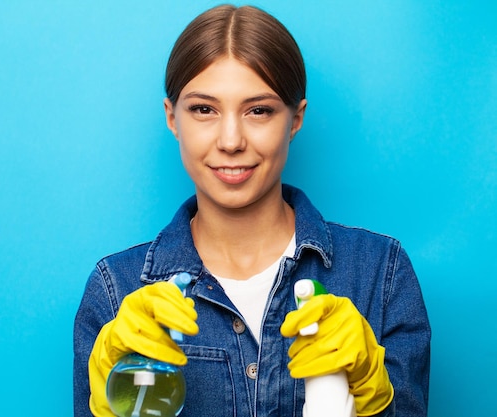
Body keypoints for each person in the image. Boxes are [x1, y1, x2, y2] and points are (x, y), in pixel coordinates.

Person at [73, 4, 430, 417]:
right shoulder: (115, 292)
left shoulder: (380, 276)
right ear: (172, 118)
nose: (230, 140)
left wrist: (374, 395)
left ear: (295, 119)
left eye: (258, 110)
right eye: (204, 109)